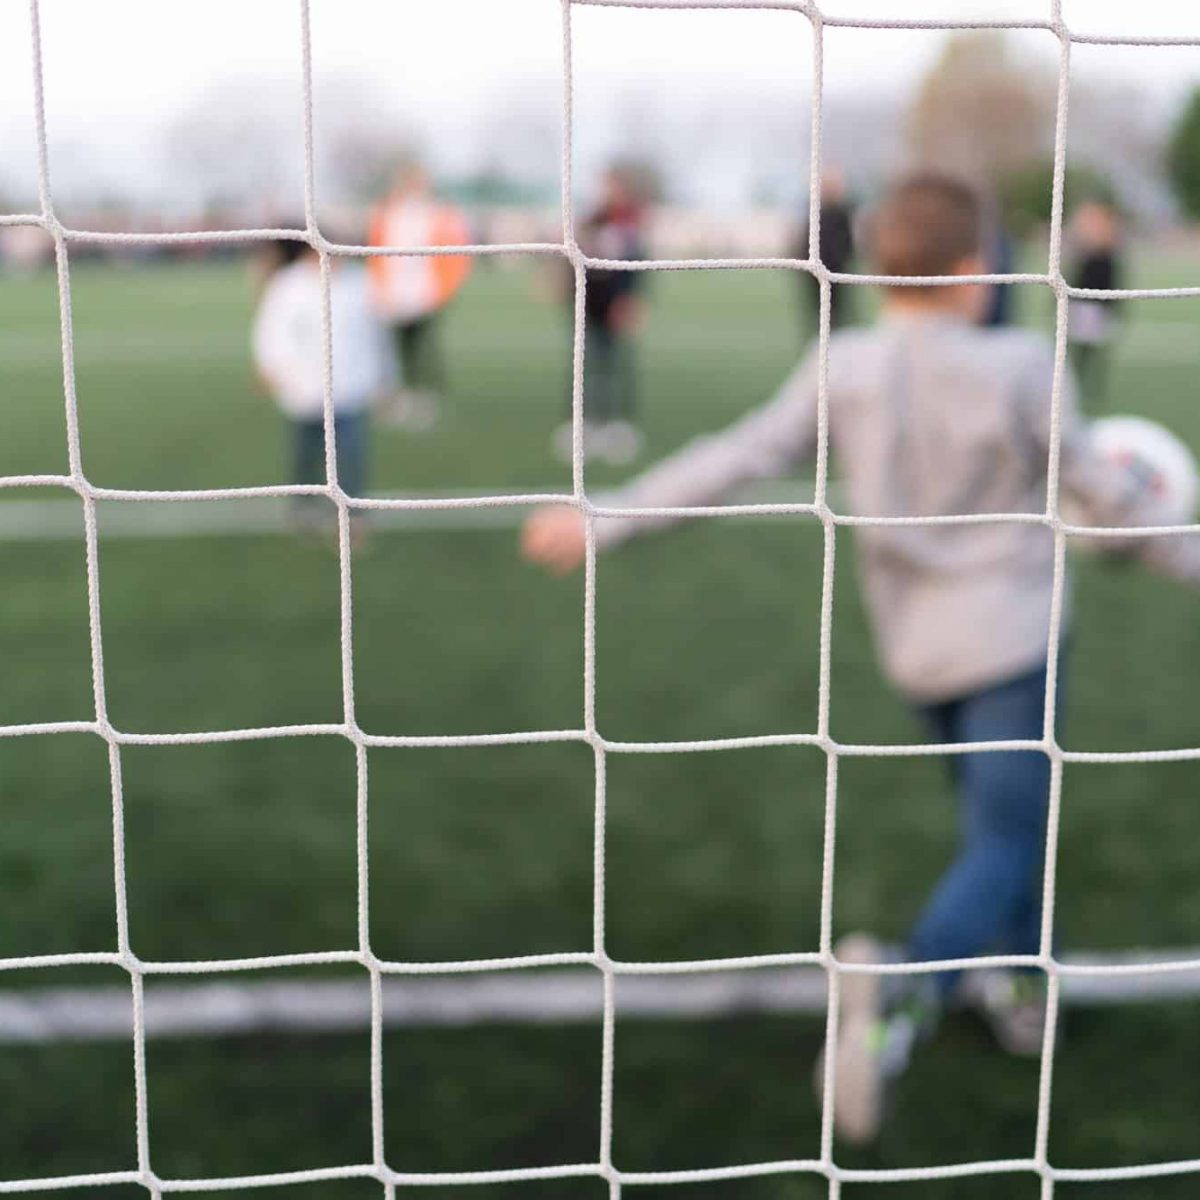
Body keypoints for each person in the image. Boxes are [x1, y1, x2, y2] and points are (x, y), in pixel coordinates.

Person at [520, 174, 1200, 1144]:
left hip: (914, 648)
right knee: (1006, 839)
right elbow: (1117, 503)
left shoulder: (843, 363)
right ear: (974, 272)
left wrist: (608, 517)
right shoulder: (1019, 365)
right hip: (1012, 642)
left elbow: (739, 454)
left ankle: (1024, 983)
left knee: (1000, 826)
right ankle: (900, 996)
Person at [252, 239, 395, 531]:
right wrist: (270, 369)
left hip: (350, 390)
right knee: (305, 454)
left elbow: (379, 336)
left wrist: (385, 379)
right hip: (302, 390)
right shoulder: (288, 285)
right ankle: (303, 509)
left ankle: (353, 518)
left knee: (351, 457)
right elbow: (270, 332)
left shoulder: (361, 283)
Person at [554, 164, 649, 466]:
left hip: (615, 303)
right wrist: (562, 284)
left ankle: (617, 424)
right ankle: (581, 424)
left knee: (614, 365)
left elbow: (638, 266)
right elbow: (572, 256)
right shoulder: (590, 220)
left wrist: (630, 300)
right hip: (587, 303)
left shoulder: (630, 222)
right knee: (582, 364)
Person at [368, 158, 473, 430]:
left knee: (424, 346)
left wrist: (445, 287)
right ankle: (401, 395)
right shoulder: (387, 212)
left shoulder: (438, 213)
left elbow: (455, 250)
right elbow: (376, 250)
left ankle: (426, 397)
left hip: (426, 292)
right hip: (394, 294)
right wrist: (380, 286)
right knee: (396, 347)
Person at [1066, 198, 1124, 412]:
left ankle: (1091, 386)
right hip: (1085, 305)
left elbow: (1113, 280)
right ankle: (1076, 383)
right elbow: (1077, 278)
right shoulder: (1087, 249)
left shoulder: (1108, 250)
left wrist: (1114, 304)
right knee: (1080, 348)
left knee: (1096, 349)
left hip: (1100, 305)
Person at [794, 168, 855, 337]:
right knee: (818, 310)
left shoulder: (841, 213)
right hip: (815, 271)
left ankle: (834, 337)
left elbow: (846, 243)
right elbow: (803, 239)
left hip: (835, 270)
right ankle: (820, 338)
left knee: (836, 310)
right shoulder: (814, 210)